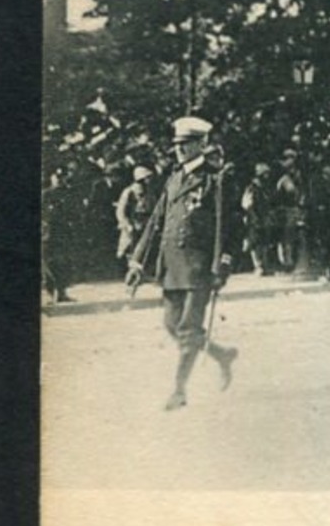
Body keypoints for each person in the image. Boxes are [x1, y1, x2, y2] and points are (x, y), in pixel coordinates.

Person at [124, 117, 239, 411]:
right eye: (177, 144)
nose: (179, 149)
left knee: (188, 329)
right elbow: (155, 223)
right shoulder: (174, 179)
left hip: (200, 266)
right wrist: (137, 263)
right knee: (171, 323)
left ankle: (179, 391)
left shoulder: (217, 178)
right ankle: (221, 355)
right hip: (172, 266)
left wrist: (222, 264)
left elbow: (229, 225)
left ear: (202, 144)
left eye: (186, 144)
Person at [240, 161, 279, 276]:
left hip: (265, 218)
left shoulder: (265, 187)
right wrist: (253, 217)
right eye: (265, 173)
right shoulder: (252, 188)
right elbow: (247, 204)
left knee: (265, 242)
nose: (267, 176)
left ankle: (265, 265)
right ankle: (258, 266)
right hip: (255, 218)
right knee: (255, 243)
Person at [113, 164, 154, 267]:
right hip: (133, 222)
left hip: (145, 222)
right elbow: (121, 211)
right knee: (130, 247)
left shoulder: (149, 192)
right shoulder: (129, 192)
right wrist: (127, 224)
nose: (149, 180)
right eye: (147, 178)